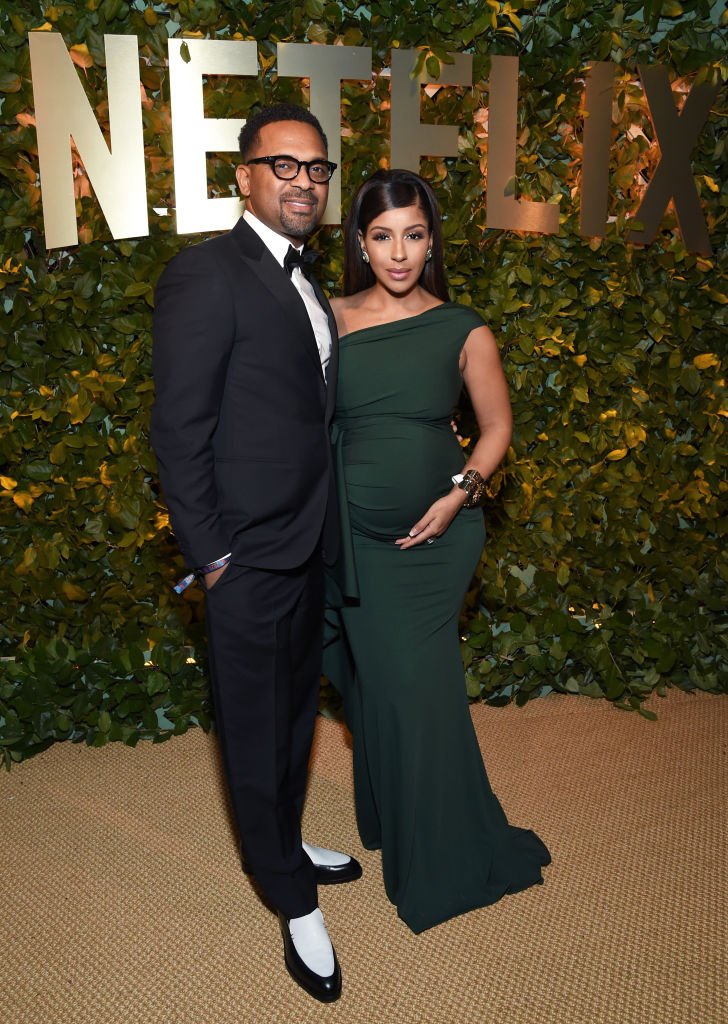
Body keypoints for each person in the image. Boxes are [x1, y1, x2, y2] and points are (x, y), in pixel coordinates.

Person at [151, 103, 362, 1004]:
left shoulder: (306, 280)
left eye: (316, 169)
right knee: (252, 727)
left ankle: (284, 834)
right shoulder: (208, 273)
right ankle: (288, 894)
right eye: (284, 165)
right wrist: (212, 556)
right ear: (244, 176)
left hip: (305, 542)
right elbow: (178, 430)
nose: (304, 182)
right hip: (245, 557)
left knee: (291, 716)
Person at [324, 168, 551, 933]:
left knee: (417, 693)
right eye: (382, 236)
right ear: (360, 240)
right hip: (353, 541)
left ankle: (442, 857)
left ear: (431, 241)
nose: (398, 253)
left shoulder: (463, 327)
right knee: (382, 692)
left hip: (439, 541)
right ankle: (401, 822)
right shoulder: (325, 317)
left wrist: (458, 494)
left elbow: (495, 430)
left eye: (414, 235)